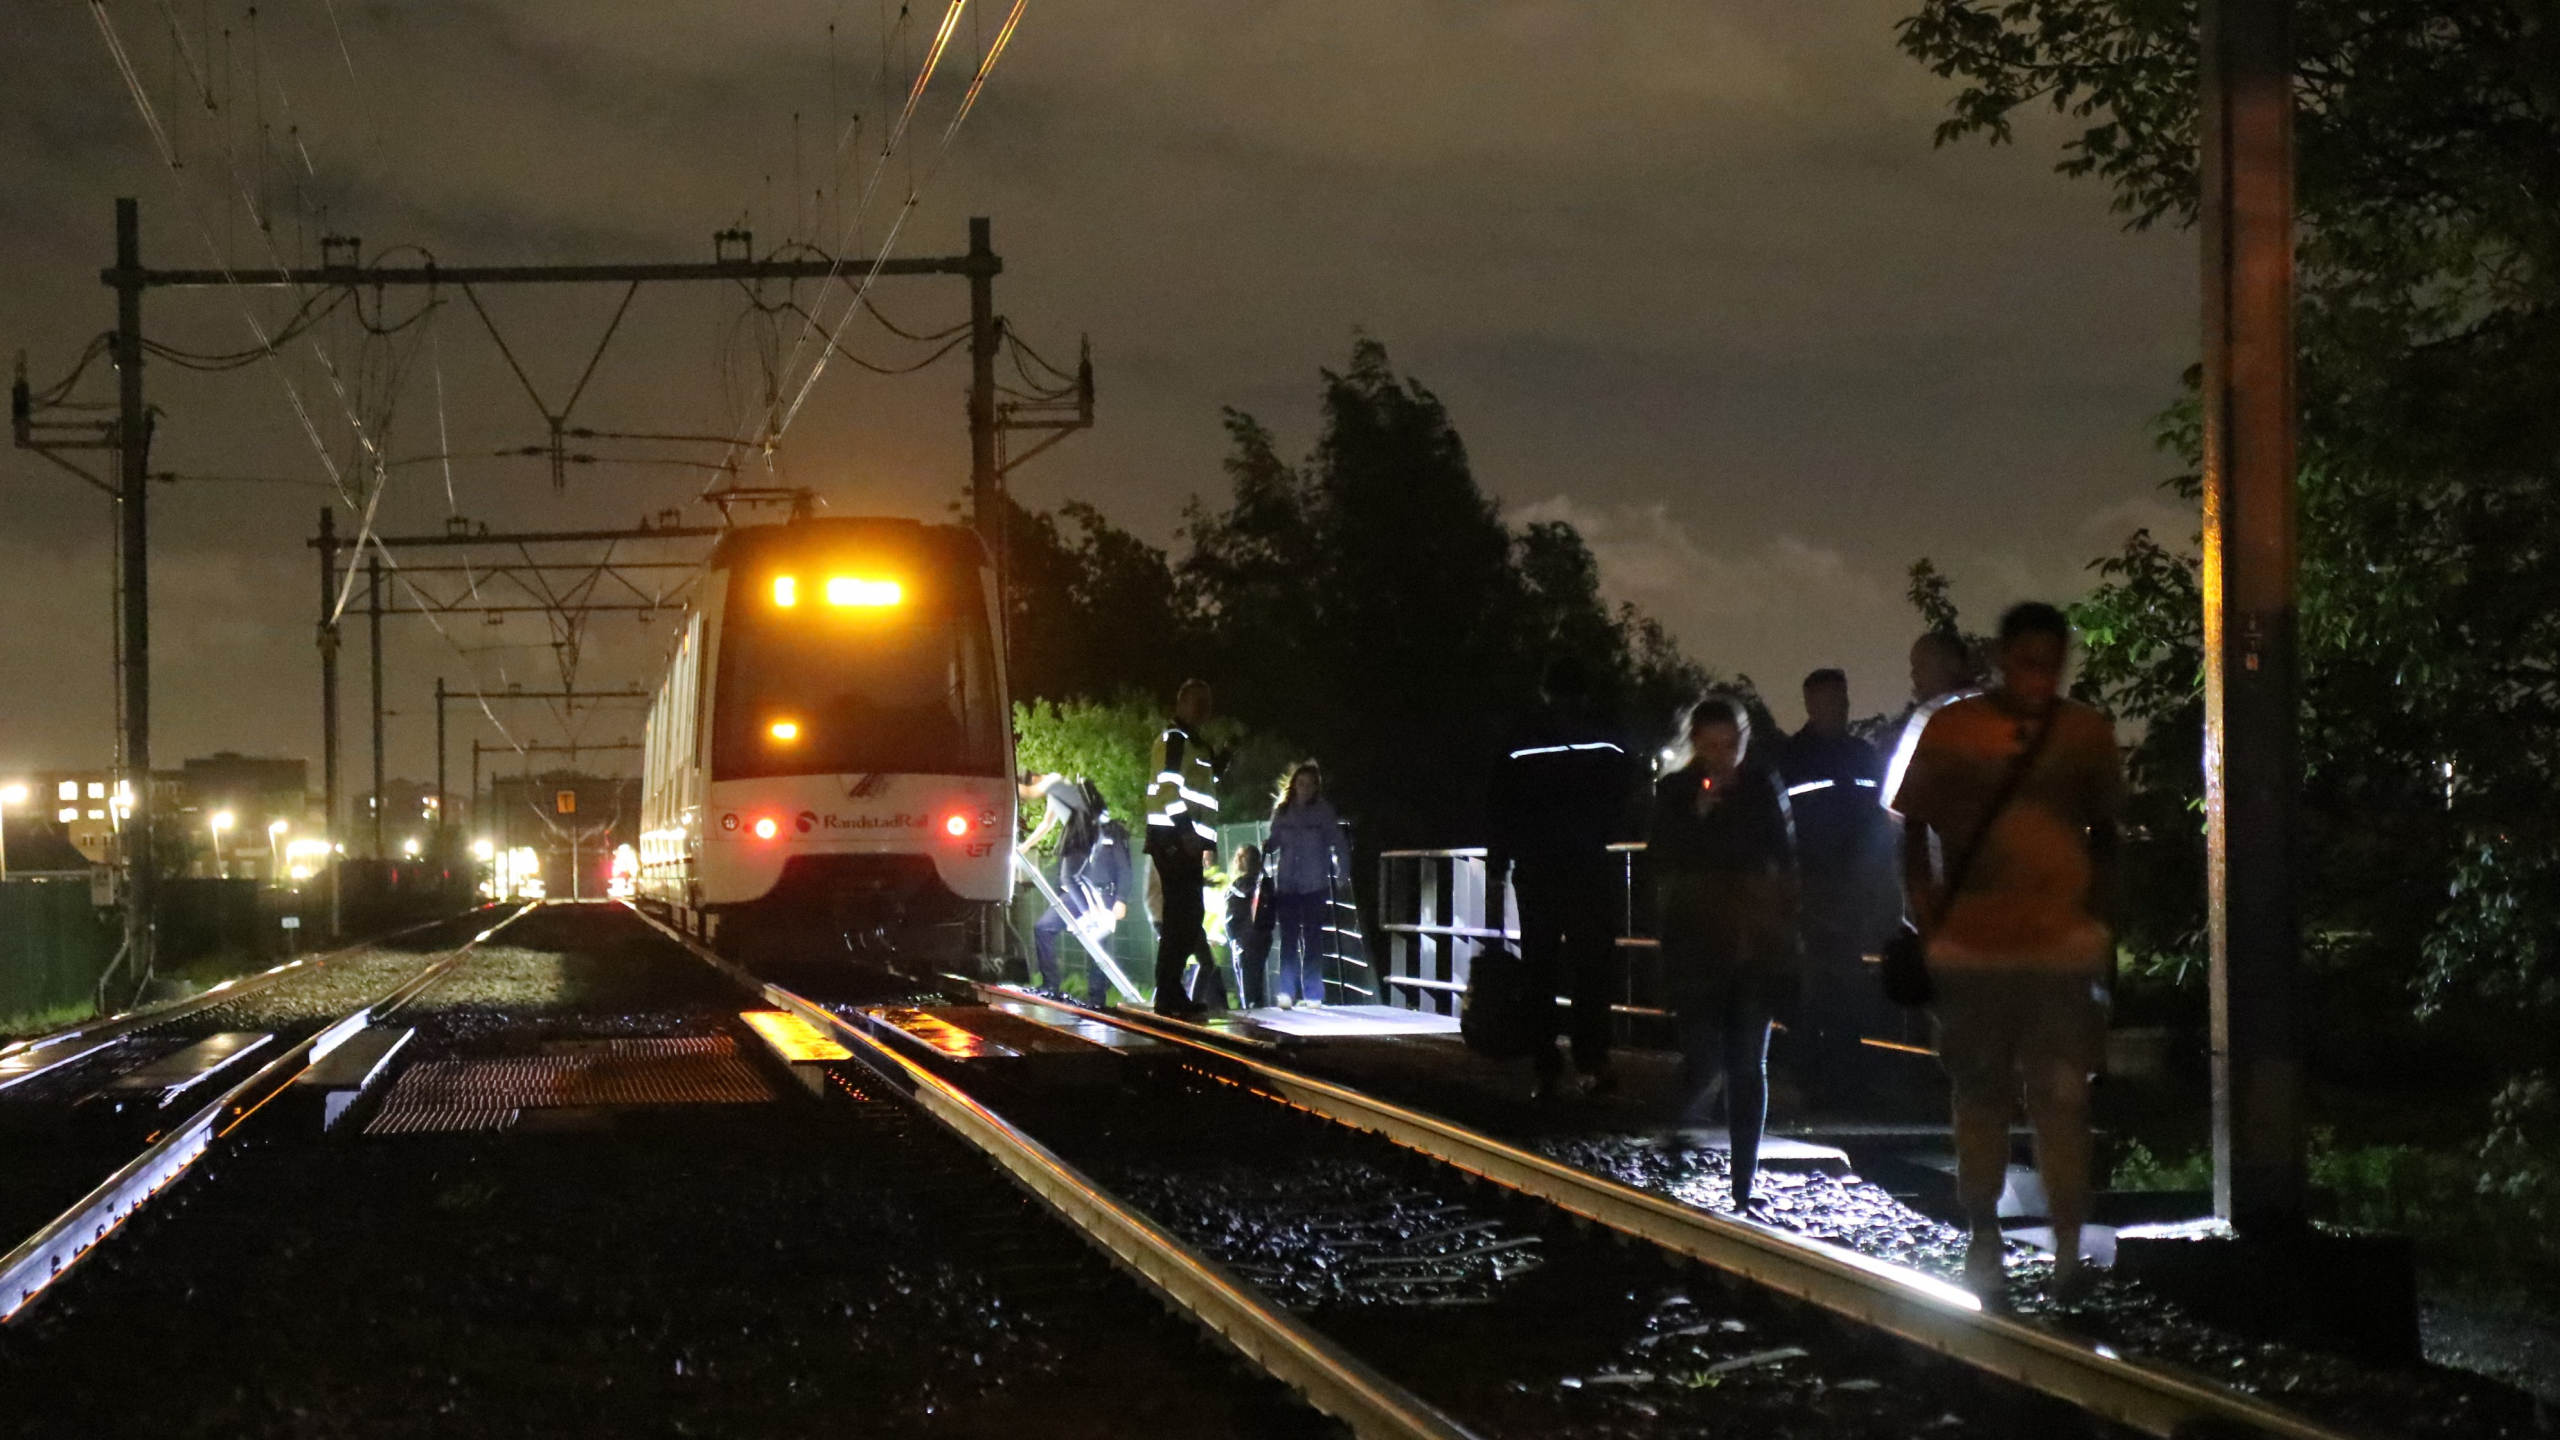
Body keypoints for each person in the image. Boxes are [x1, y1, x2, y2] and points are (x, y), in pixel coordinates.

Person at [1893, 602, 2124, 1306]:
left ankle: (2062, 1249)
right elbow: (1914, 829)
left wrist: (2102, 922)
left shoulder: (2084, 733)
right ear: (2001, 657)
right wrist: (1930, 919)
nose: (2038, 677)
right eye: (2027, 662)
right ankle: (1986, 1234)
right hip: (1976, 949)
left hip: (2056, 949)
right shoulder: (1952, 728)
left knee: (2059, 1097)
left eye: (2050, 665)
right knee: (1984, 1097)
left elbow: (2110, 831)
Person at [1650, 695, 1799, 1209]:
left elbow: (1785, 857)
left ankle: (1743, 1184)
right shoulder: (1674, 791)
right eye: (1710, 746)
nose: (1720, 756)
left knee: (1747, 1064)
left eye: (1730, 745)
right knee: (1705, 1056)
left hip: (1753, 943)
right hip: (1696, 945)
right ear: (1694, 744)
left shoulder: (1762, 786)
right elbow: (1661, 860)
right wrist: (1698, 815)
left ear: (1743, 742)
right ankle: (1681, 1134)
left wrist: (1786, 929)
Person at [1487, 655, 1645, 1099]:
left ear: (1544, 690)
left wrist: (1499, 864)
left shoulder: (1521, 740)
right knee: (1591, 967)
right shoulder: (1605, 740)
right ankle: (1592, 1062)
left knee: (1539, 964)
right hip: (1588, 863)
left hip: (1536, 866)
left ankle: (1545, 1065)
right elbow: (1627, 793)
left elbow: (1499, 806)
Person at [1775, 669, 1891, 1105]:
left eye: (1841, 700)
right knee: (1817, 982)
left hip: (1850, 888)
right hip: (1809, 887)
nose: (1839, 708)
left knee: (1844, 981)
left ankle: (1841, 1071)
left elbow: (1878, 818)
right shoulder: (1790, 760)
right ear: (1811, 704)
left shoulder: (1861, 755)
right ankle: (1817, 1070)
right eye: (1830, 701)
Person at [1144, 679, 1224, 1020]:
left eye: (1206, 703)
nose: (1202, 710)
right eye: (1196, 703)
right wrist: (1188, 834)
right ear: (1182, 704)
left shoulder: (1193, 744)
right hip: (1173, 840)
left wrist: (1203, 841)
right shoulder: (1176, 740)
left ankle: (1170, 991)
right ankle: (1168, 992)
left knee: (1186, 917)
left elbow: (1200, 790)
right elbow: (1168, 791)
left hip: (1180, 841)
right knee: (1183, 916)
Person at [1266, 762, 1353, 1008]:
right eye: (1301, 784)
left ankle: (1313, 993)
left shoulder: (1324, 812)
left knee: (1313, 938)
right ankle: (1286, 992)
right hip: (1288, 883)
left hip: (1314, 882)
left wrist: (1342, 871)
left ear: (1316, 788)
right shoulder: (1282, 811)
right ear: (1294, 786)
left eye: (1309, 785)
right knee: (1289, 938)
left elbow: (1338, 842)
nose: (1304, 789)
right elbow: (1275, 839)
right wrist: (1269, 845)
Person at [1224, 844, 1277, 1009]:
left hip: (1243, 942)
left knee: (1246, 987)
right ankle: (1262, 1019)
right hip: (1262, 937)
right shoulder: (1264, 884)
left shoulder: (1236, 887)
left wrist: (1233, 938)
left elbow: (1231, 919)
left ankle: (1252, 1024)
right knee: (1258, 982)